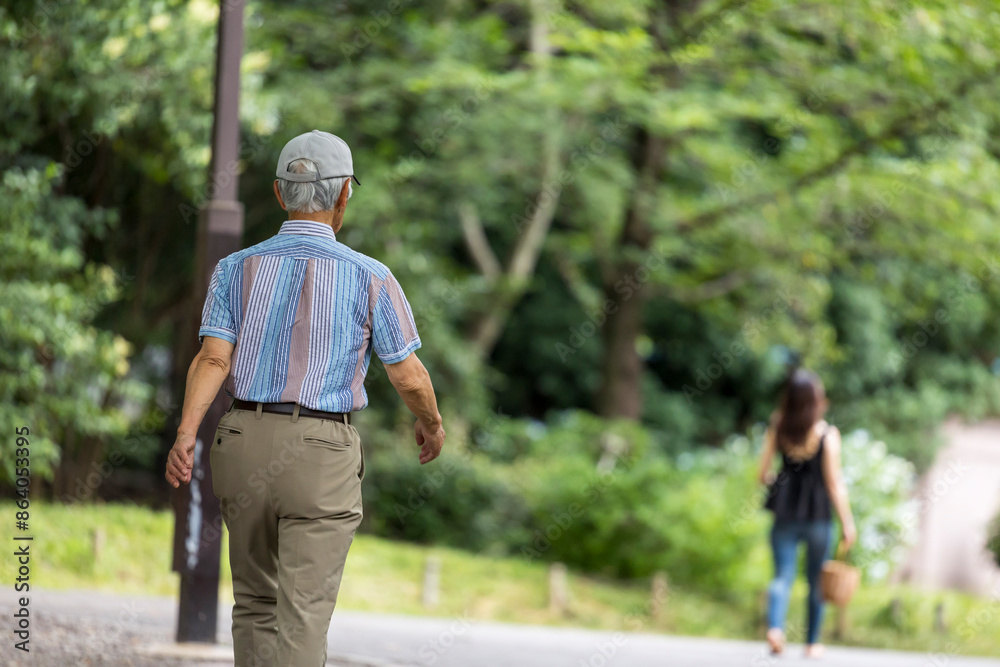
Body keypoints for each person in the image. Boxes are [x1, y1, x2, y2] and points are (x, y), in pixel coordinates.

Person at [164, 130, 446, 666]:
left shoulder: (236, 269)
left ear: (277, 193)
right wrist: (431, 423)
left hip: (241, 439)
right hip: (321, 452)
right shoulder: (372, 277)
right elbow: (408, 376)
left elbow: (213, 360)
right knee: (304, 613)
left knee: (253, 603)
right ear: (344, 197)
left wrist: (185, 434)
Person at [758, 368, 855, 658]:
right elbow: (834, 484)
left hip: (785, 513)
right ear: (816, 400)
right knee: (817, 580)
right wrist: (848, 523)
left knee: (782, 576)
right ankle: (812, 643)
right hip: (818, 517)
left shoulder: (778, 428)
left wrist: (781, 484)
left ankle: (776, 628)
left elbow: (762, 474)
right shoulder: (827, 434)